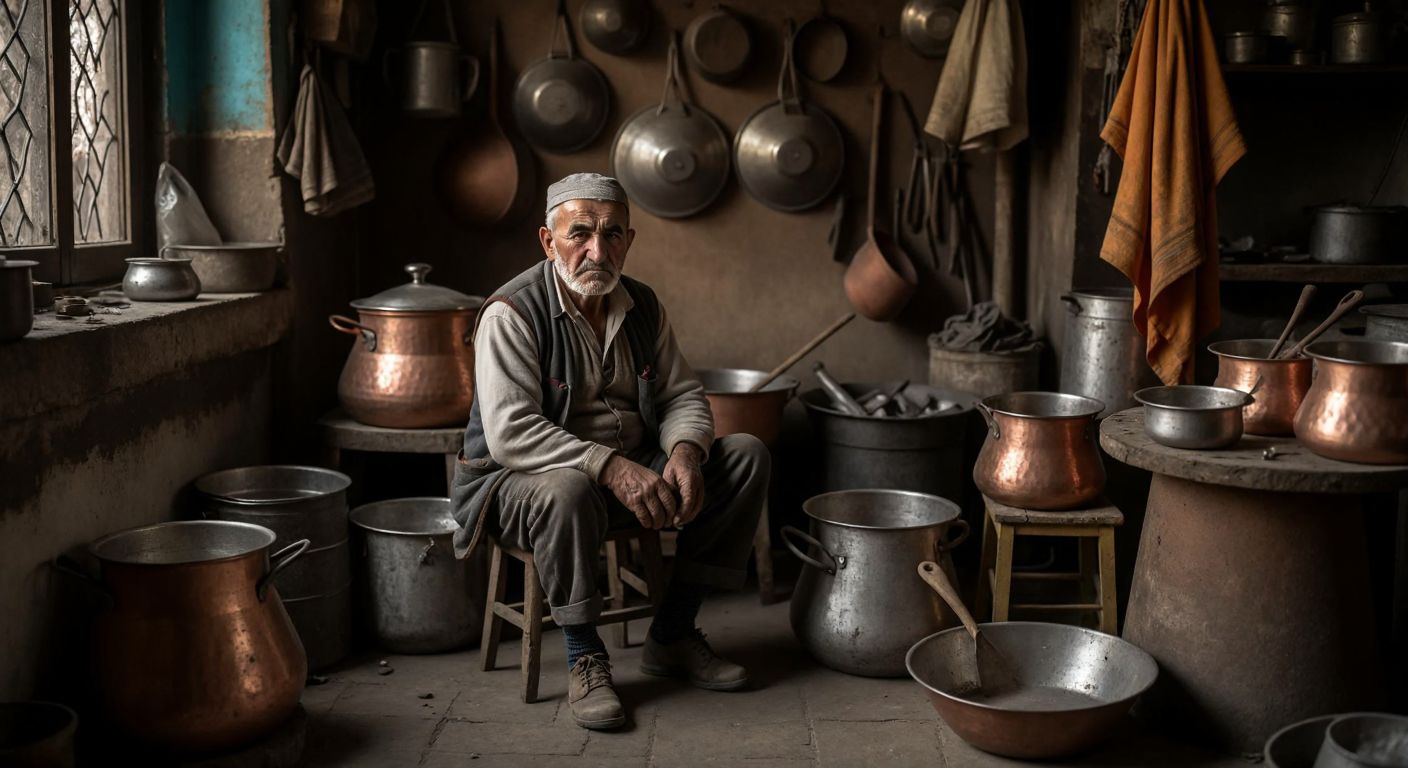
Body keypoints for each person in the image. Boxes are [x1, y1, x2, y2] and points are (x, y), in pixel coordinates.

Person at [450, 173, 770, 730]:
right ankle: (584, 656)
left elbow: (683, 395)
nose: (598, 251)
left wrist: (686, 451)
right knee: (568, 487)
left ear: (629, 239)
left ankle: (672, 632)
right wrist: (610, 467)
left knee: (744, 455)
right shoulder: (512, 313)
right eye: (580, 234)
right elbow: (509, 433)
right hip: (520, 484)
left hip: (630, 474)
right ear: (548, 241)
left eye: (613, 234)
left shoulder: (643, 306)